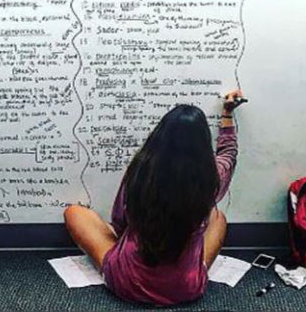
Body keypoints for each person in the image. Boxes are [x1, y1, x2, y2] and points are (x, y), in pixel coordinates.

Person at [64, 90, 244, 306]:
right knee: (218, 218)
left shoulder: (141, 171)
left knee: (74, 213)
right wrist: (227, 113)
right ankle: (194, 268)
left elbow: (120, 221)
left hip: (128, 283)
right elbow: (229, 153)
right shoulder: (212, 178)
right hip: (186, 288)